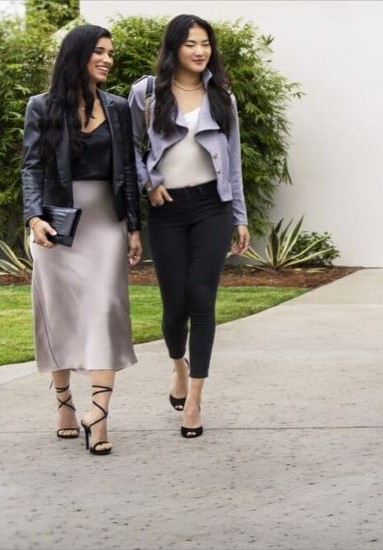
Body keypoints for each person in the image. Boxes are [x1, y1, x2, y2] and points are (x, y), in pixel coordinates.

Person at [21, 24, 143, 456]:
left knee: (105, 310)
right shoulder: (41, 107)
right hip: (57, 224)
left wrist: (132, 226)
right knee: (61, 314)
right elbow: (32, 167)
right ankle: (65, 405)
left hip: (105, 222)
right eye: (99, 52)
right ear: (77, 55)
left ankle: (99, 414)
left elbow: (127, 170)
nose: (108, 59)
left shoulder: (118, 107)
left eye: (110, 52)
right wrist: (34, 217)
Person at [129, 14, 250, 439]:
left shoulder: (223, 98)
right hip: (167, 210)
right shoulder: (146, 93)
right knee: (173, 307)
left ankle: (195, 400)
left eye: (206, 44)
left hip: (210, 208)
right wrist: (149, 183)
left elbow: (232, 161)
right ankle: (177, 366)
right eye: (191, 44)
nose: (200, 51)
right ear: (174, 48)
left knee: (202, 299)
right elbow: (130, 152)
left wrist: (239, 216)